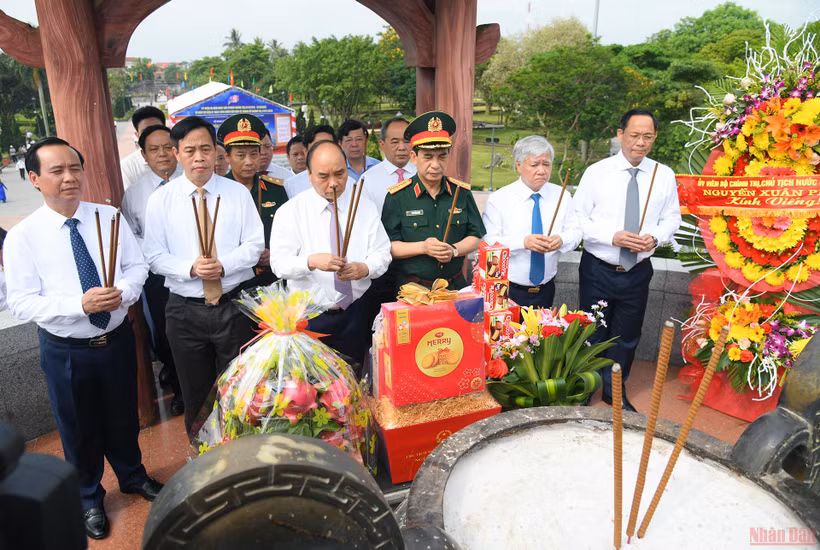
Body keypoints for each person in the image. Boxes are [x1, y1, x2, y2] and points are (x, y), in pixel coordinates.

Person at [4, 137, 163, 540]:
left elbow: (136, 265)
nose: (70, 177)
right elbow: (21, 302)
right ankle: (88, 496)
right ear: (35, 179)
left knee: (123, 415)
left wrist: (122, 294)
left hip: (116, 339)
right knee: (77, 425)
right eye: (57, 171)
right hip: (66, 350)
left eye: (75, 168)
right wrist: (80, 304)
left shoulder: (107, 217)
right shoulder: (23, 236)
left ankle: (132, 476)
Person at [142, 116, 265, 434]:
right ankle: (203, 460)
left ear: (216, 152)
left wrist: (224, 264)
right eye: (190, 150)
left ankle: (241, 452)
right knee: (196, 392)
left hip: (233, 307)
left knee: (239, 386)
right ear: (177, 153)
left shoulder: (236, 194)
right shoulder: (161, 201)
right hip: (184, 311)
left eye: (206, 149)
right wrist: (190, 268)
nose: (199, 157)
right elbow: (153, 255)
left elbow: (254, 244)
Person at [574, 108, 682, 412]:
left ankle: (614, 390)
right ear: (621, 134)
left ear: (655, 137)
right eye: (634, 135)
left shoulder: (664, 174)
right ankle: (586, 386)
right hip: (598, 268)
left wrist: (656, 237)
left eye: (648, 136)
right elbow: (578, 218)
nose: (640, 142)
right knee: (591, 331)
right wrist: (613, 236)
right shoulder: (597, 172)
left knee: (627, 334)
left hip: (637, 270)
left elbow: (673, 217)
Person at [270, 140, 391, 364]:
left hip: (356, 311)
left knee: (355, 379)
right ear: (308, 174)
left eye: (340, 173)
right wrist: (310, 262)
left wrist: (364, 268)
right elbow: (278, 264)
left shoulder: (363, 205)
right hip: (309, 315)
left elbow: (382, 252)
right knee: (312, 387)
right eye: (323, 176)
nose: (334, 183)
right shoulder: (290, 212)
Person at [381, 111, 485, 291]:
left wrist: (454, 250)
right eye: (428, 157)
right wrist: (423, 247)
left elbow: (476, 236)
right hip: (413, 291)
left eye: (442, 156)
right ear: (414, 157)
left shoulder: (461, 193)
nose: (435, 165)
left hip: (454, 288)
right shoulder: (398, 196)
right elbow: (389, 246)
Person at [121, 124, 184, 416]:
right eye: (154, 149)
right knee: (166, 333)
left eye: (167, 147)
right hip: (158, 276)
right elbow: (131, 236)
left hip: (197, 270)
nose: (163, 154)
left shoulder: (195, 182)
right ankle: (181, 389)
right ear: (144, 156)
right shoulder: (135, 194)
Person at [482, 135, 582, 308]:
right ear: (519, 165)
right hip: (506, 288)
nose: (542, 171)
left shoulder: (562, 196)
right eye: (535, 164)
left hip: (546, 288)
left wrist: (562, 240)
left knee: (541, 335)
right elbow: (488, 241)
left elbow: (576, 231)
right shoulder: (499, 199)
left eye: (547, 164)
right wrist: (524, 242)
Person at [217, 114, 288, 288]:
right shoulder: (217, 192)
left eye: (254, 154)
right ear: (227, 156)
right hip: (233, 278)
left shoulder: (275, 189)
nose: (249, 162)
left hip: (272, 276)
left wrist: (275, 253)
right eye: (241, 155)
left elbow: (289, 231)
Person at [359, 117, 416, 213]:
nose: (402, 147)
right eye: (395, 142)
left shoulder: (422, 174)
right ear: (382, 145)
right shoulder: (368, 180)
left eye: (407, 141)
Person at [284, 124, 338, 198]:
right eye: (317, 146)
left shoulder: (351, 184)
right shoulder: (291, 185)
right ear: (306, 152)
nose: (323, 150)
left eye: (327, 145)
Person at [120, 106, 165, 191]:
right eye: (146, 131)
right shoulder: (127, 167)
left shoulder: (181, 159)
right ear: (137, 135)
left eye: (157, 129)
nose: (153, 135)